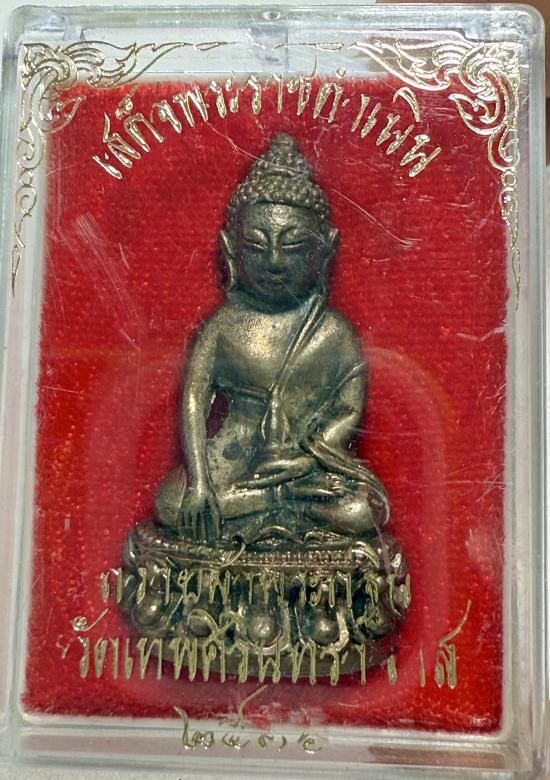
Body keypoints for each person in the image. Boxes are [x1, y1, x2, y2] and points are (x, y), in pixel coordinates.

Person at [154, 134, 389, 546]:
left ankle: (277, 502)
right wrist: (200, 481)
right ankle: (276, 504)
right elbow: (193, 401)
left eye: (293, 246)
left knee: (364, 509)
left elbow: (348, 411)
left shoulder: (333, 332)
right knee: (171, 502)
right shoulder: (224, 326)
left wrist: (307, 459)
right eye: (257, 247)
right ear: (231, 250)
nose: (275, 262)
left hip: (306, 469)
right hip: (234, 463)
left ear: (325, 251)